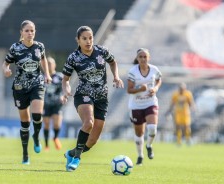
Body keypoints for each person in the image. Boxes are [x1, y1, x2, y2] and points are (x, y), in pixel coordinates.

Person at [62, 26, 124, 171]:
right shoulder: (73, 57)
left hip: (102, 97)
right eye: (84, 38)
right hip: (83, 94)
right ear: (78, 40)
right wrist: (66, 90)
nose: (88, 41)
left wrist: (116, 76)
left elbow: (113, 62)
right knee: (88, 123)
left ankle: (71, 153)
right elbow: (65, 79)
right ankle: (76, 159)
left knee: (92, 141)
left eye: (90, 38)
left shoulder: (102, 51)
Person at [2, 20, 52, 165]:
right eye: (27, 31)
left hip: (37, 84)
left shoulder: (39, 46)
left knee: (37, 115)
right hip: (20, 87)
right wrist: (5, 70)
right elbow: (5, 63)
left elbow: (43, 60)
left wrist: (47, 74)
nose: (30, 33)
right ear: (21, 32)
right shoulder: (15, 48)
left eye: (32, 30)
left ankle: (36, 136)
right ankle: (25, 155)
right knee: (25, 123)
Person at [127, 48, 162, 166]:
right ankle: (140, 155)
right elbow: (129, 90)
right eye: (140, 57)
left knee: (152, 128)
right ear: (137, 58)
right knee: (139, 133)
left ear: (149, 58)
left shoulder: (154, 69)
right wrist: (140, 89)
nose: (143, 59)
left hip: (150, 103)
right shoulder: (133, 71)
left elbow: (158, 80)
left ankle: (149, 145)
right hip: (136, 106)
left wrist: (155, 89)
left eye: (145, 56)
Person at [43, 56, 64, 151]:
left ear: (55, 65)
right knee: (46, 124)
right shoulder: (42, 77)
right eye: (48, 64)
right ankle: (46, 145)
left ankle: (55, 138)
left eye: (51, 64)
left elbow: (64, 88)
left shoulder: (59, 76)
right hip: (46, 104)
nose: (49, 66)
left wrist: (63, 96)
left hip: (56, 104)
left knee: (56, 124)